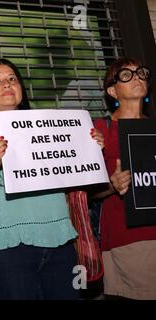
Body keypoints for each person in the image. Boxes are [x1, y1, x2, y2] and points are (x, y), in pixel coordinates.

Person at [0, 58, 104, 300]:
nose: (6, 84)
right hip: (6, 253)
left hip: (61, 244)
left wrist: (90, 151)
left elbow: (84, 187)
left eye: (12, 79)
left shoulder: (53, 133)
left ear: (21, 88)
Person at [93, 57, 156, 299]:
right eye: (126, 75)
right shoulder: (100, 130)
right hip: (129, 239)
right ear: (112, 90)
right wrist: (112, 184)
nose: (137, 77)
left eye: (140, 73)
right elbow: (86, 192)